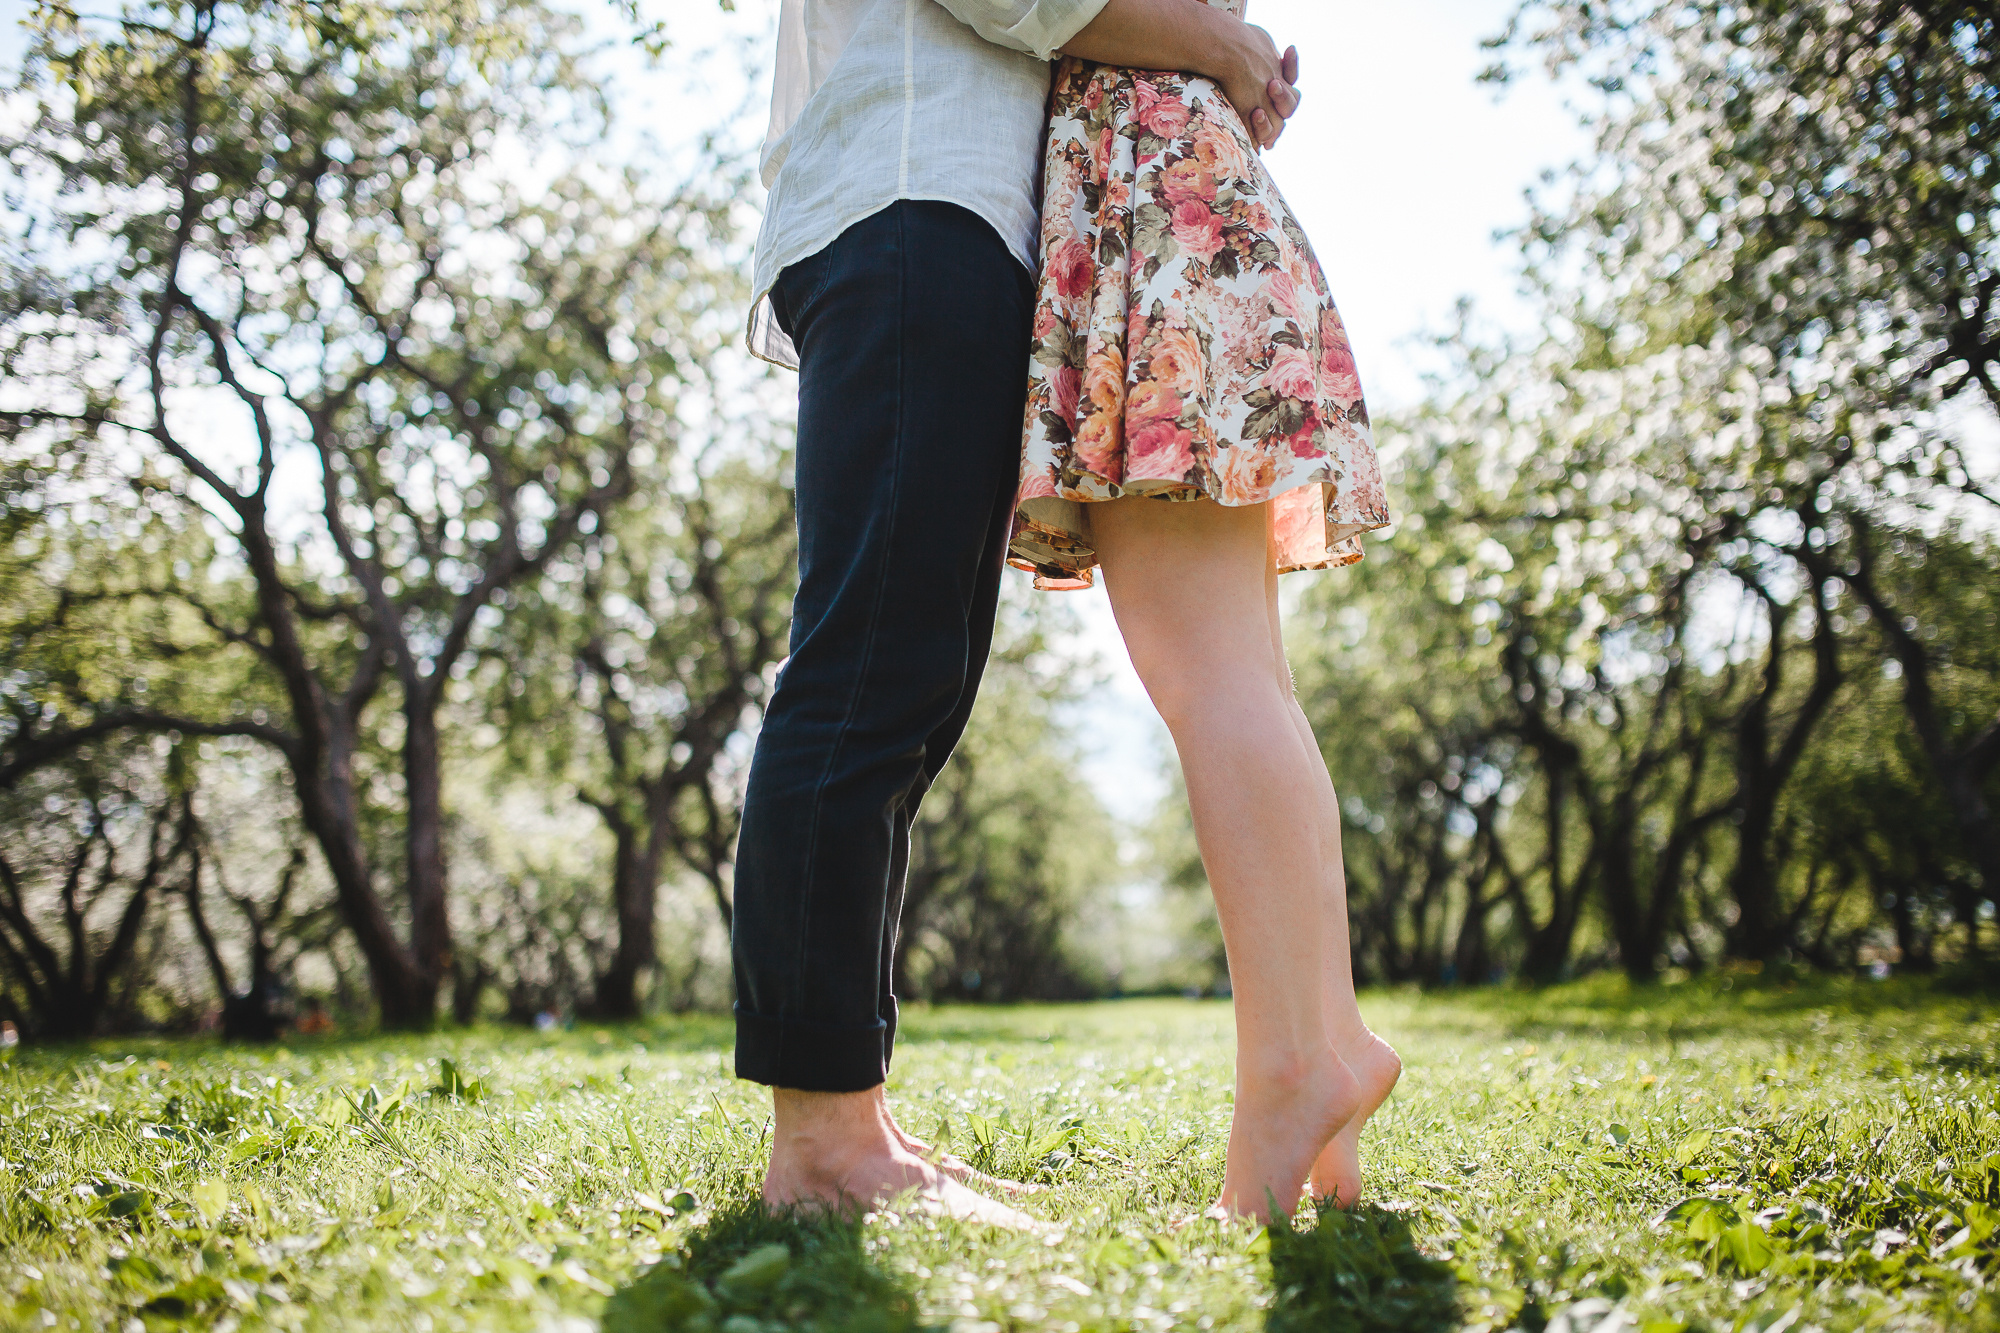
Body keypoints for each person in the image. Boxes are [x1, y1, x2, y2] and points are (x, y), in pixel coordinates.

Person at [732, 0, 1306, 1222]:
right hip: (909, 205)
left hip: (954, 224)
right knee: (868, 663)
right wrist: (1219, 47)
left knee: (915, 669)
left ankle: (849, 1119)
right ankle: (822, 1144)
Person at [1006, 0, 1400, 1220]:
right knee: (1247, 682)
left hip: (1152, 205)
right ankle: (1323, 1047)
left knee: (1214, 680)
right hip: (1176, 187)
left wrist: (1217, 50)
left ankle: (1294, 1067)